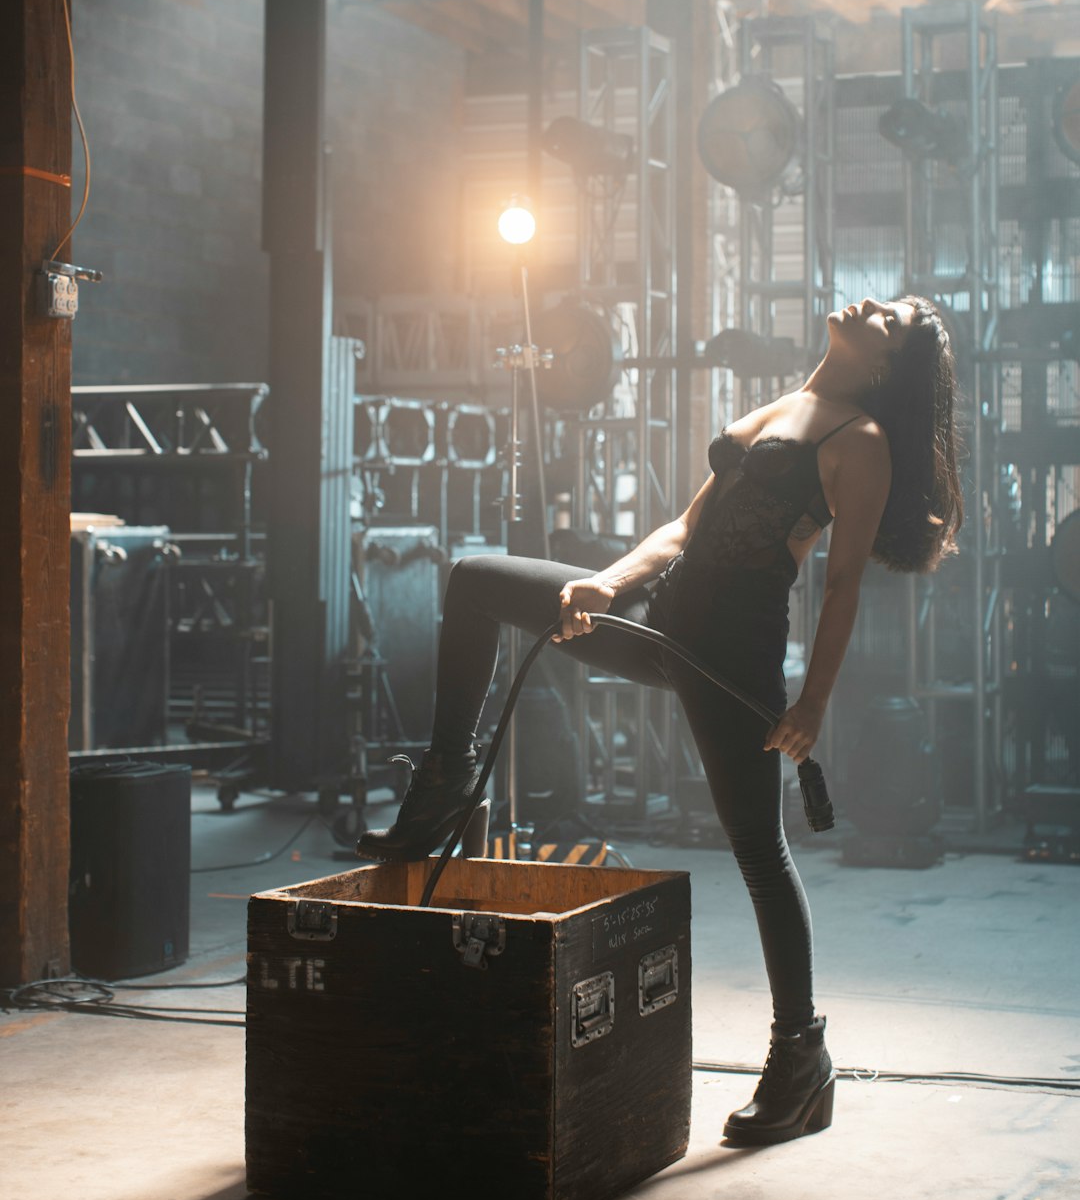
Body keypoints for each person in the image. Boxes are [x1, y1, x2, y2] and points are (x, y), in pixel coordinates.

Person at [357, 295, 964, 1146]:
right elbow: (683, 525)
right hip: (655, 624)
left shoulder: (856, 442)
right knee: (473, 580)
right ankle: (446, 783)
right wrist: (606, 582)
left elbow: (842, 586)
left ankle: (801, 1059)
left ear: (885, 363)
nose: (870, 304)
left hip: (729, 660)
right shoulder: (788, 405)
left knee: (758, 851)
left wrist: (813, 701)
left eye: (891, 318)